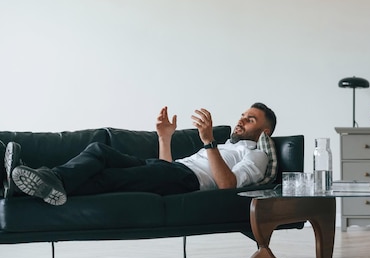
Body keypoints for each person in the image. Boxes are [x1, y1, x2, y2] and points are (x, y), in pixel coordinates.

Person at [5, 102, 277, 206]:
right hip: (171, 172)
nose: (241, 120)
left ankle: (27, 183)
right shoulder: (228, 147)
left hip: (185, 179)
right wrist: (164, 137)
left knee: (107, 178)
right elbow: (165, 168)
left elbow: (227, 185)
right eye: (242, 114)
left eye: (250, 119)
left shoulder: (257, 155)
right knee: (99, 151)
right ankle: (43, 180)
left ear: (265, 131)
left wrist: (208, 142)